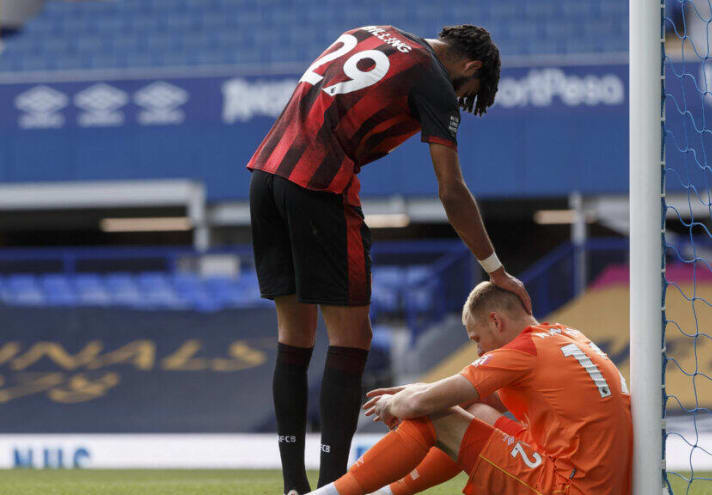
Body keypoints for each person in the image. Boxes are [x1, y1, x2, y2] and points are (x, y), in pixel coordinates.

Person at [246, 24, 533, 495]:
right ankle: (332, 485)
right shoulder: (435, 82)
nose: (460, 102)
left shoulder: (371, 31)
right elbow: (451, 190)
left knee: (294, 336)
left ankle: (293, 487)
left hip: (265, 175)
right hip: (319, 184)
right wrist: (495, 268)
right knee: (353, 337)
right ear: (470, 67)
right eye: (468, 94)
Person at [306, 282, 633, 495]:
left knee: (436, 418)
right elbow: (479, 399)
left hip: (571, 487)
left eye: (477, 339)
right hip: (599, 480)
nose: (478, 351)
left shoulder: (521, 351)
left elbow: (419, 406)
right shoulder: (563, 334)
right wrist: (421, 392)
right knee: (474, 412)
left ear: (496, 322)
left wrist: (398, 403)